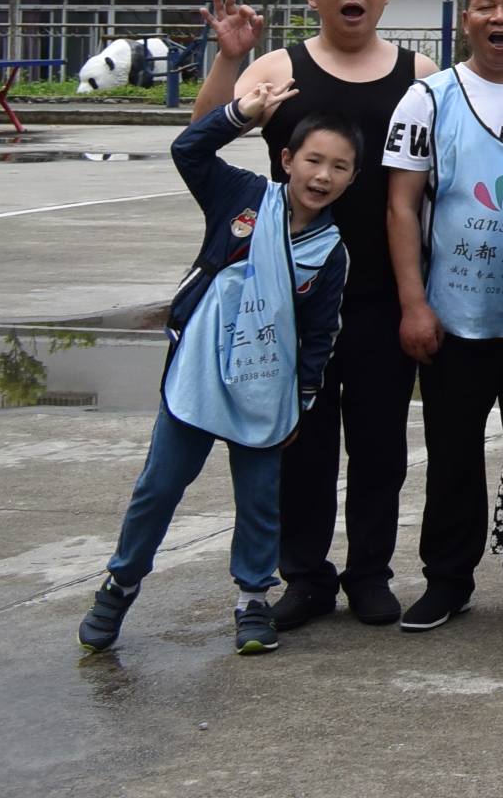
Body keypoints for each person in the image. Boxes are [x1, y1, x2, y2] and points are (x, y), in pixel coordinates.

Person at [193, 0, 433, 630]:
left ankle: (370, 574)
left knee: (381, 441)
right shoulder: (279, 67)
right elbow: (203, 129)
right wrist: (231, 59)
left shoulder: (419, 74)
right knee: (299, 437)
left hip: (385, 293)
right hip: (288, 292)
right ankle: (304, 574)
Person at [78, 82, 356, 656]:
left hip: (263, 388)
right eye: (313, 160)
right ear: (286, 160)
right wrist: (240, 114)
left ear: (352, 179)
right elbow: (189, 152)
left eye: (339, 167)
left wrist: (300, 401)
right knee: (158, 487)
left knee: (259, 499)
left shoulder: (330, 253)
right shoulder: (241, 197)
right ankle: (120, 583)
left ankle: (253, 599)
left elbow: (319, 336)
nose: (323, 175)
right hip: (199, 375)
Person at [381, 0, 503, 633]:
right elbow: (400, 207)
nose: (499, 17)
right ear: (468, 20)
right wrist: (413, 303)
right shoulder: (429, 98)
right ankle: (447, 581)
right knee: (453, 458)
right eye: (486, 6)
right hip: (454, 318)